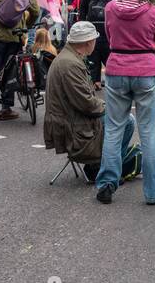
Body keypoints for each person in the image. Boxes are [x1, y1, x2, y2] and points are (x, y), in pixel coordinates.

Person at [95, 0, 155, 206]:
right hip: (146, 69)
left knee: (114, 129)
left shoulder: (110, 8)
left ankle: (106, 183)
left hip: (116, 67)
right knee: (148, 131)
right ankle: (154, 191)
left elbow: (109, 35)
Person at [43, 20, 129, 181]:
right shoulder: (70, 64)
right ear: (89, 42)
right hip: (71, 124)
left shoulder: (70, 57)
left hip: (70, 117)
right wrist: (110, 107)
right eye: (95, 40)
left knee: (122, 117)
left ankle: (105, 165)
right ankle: (106, 168)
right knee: (127, 121)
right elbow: (86, 103)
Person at [79, 0, 120, 83]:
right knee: (113, 66)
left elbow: (82, 12)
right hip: (112, 32)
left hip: (92, 32)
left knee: (92, 64)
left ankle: (93, 86)